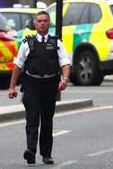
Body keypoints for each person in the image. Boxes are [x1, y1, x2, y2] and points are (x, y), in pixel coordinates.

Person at [8, 10, 70, 165]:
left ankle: (46, 154)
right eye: (39, 21)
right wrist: (12, 87)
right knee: (32, 119)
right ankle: (30, 151)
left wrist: (65, 79)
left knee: (47, 121)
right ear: (35, 24)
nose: (42, 23)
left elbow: (65, 63)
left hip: (49, 86)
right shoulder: (27, 43)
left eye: (45, 21)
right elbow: (18, 65)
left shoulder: (57, 43)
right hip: (32, 85)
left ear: (49, 24)